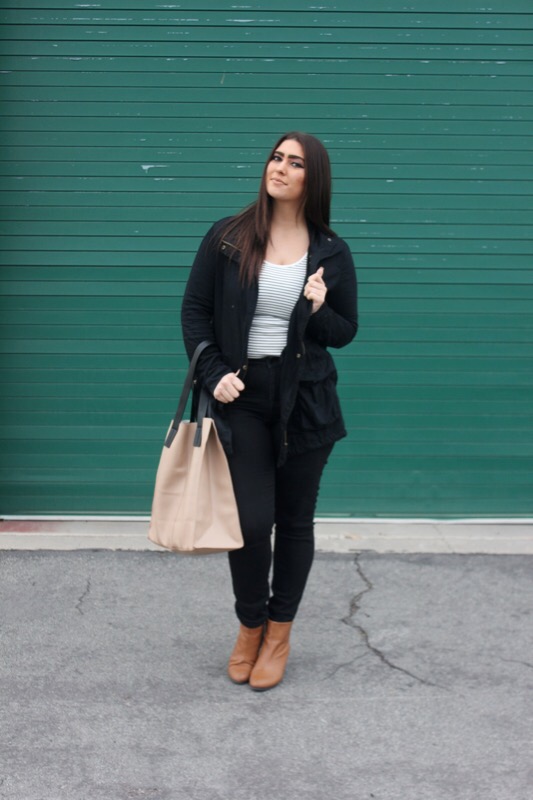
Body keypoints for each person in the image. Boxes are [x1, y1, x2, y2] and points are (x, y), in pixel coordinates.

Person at [181, 131, 358, 691]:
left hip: (305, 397)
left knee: (295, 521)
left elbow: (345, 332)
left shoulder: (331, 251)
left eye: (295, 162)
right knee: (253, 523)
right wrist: (214, 374)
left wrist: (319, 307)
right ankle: (250, 625)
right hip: (243, 395)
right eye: (276, 157)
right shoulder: (228, 237)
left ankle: (279, 634)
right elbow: (194, 311)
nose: (279, 167)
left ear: (313, 178)